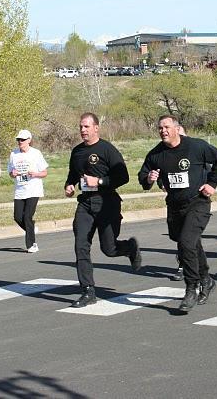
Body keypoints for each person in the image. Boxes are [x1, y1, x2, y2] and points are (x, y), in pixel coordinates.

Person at [139, 115, 217, 313]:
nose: (163, 131)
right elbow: (143, 176)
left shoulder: (196, 147)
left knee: (185, 243)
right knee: (189, 242)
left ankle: (191, 287)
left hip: (198, 202)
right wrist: (149, 178)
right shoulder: (156, 154)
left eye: (167, 127)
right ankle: (206, 279)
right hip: (175, 206)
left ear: (177, 129)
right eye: (160, 128)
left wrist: (213, 183)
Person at [64, 113, 142, 308]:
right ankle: (88, 290)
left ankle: (129, 248)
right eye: (81, 127)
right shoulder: (77, 152)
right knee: (80, 245)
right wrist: (69, 185)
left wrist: (99, 181)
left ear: (96, 128)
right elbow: (73, 174)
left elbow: (123, 177)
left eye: (86, 127)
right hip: (85, 205)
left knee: (109, 249)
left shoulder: (107, 149)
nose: (83, 130)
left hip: (107, 202)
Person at [8, 129, 48, 253]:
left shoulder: (36, 153)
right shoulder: (13, 154)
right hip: (20, 190)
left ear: (29, 140)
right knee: (17, 217)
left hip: (33, 189)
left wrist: (35, 174)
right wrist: (12, 173)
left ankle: (32, 245)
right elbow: (10, 172)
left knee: (27, 217)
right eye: (18, 140)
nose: (20, 142)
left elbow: (44, 173)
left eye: (23, 140)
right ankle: (31, 229)